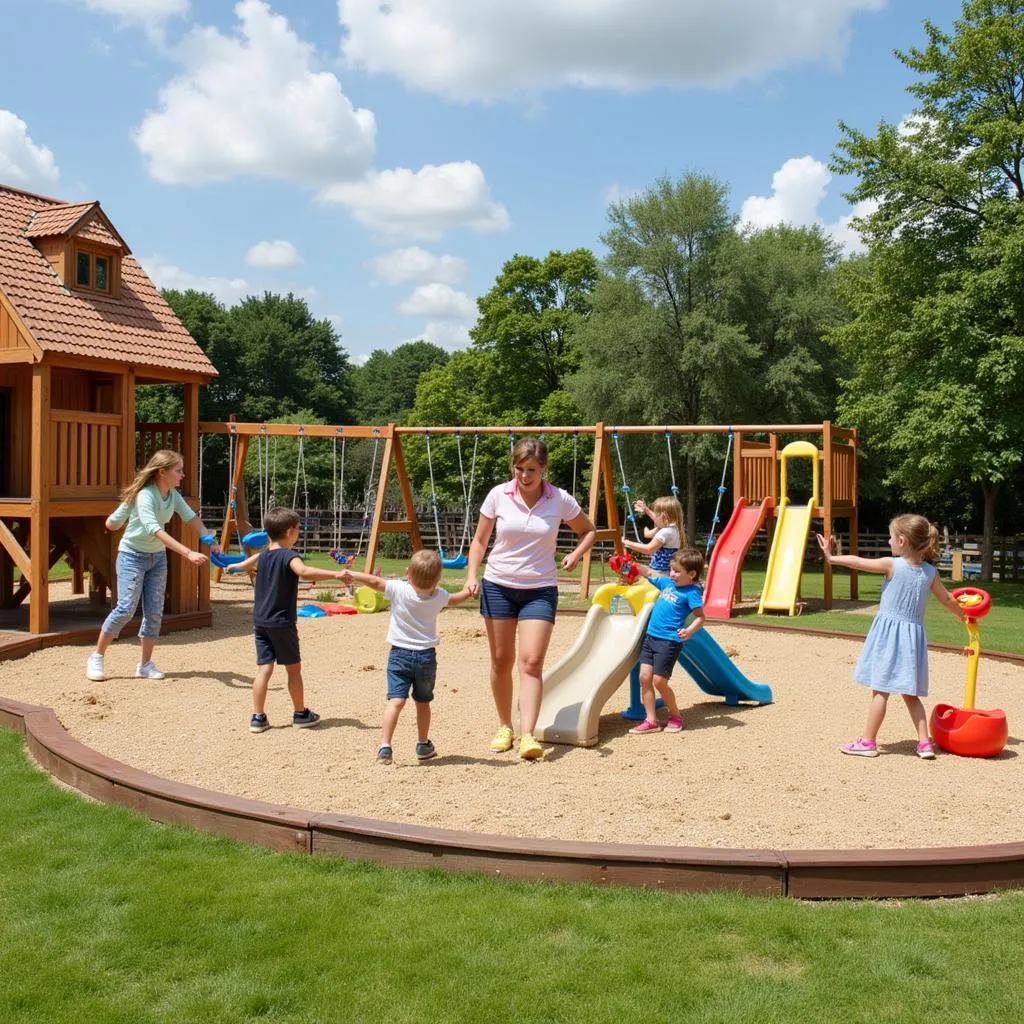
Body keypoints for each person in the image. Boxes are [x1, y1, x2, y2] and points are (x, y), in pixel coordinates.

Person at [465, 437, 597, 761]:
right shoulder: (499, 494)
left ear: (544, 469)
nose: (525, 476)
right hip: (498, 584)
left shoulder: (559, 499)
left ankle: (527, 735)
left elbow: (589, 530)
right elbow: (480, 540)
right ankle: (504, 726)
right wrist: (471, 574)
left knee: (532, 662)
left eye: (532, 470)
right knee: (501, 660)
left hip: (539, 588)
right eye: (520, 469)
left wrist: (577, 555)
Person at [816, 514, 967, 759]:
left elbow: (857, 562)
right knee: (910, 693)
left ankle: (868, 742)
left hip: (889, 637)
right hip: (912, 638)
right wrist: (964, 616)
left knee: (880, 690)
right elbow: (947, 599)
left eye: (890, 537)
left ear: (902, 541)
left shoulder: (892, 565)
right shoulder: (929, 572)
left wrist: (831, 558)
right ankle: (924, 744)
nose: (888, 541)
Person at [86, 449, 219, 682]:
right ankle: (97, 656)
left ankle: (145, 665)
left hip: (157, 559)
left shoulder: (172, 495)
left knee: (154, 611)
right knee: (126, 608)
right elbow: (154, 529)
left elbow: (191, 518)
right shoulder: (145, 496)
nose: (183, 475)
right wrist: (187, 552)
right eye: (178, 470)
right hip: (131, 556)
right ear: (162, 472)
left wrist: (208, 538)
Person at [341, 550, 472, 765]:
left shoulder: (399, 590)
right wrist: (468, 591)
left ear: (407, 574)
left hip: (399, 655)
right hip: (426, 657)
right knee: (423, 702)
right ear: (437, 580)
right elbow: (456, 599)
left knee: (395, 701)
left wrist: (353, 574)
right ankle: (422, 744)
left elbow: (374, 581)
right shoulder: (439, 596)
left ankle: (385, 745)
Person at [227, 506, 347, 733]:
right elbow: (302, 571)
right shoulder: (290, 556)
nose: (299, 533)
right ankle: (301, 713)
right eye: (299, 529)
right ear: (290, 531)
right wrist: (335, 575)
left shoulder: (264, 556)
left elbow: (249, 562)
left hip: (261, 622)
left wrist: (235, 566)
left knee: (264, 669)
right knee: (293, 669)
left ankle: (258, 717)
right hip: (282, 622)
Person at [620, 549, 706, 734]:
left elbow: (700, 617)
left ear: (691, 574)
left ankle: (675, 715)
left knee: (659, 681)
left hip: (669, 641)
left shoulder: (691, 593)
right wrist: (631, 565)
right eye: (671, 569)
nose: (672, 574)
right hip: (651, 637)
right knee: (644, 677)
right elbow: (650, 572)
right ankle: (651, 720)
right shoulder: (667, 584)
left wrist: (689, 630)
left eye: (676, 571)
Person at [624, 496, 687, 575]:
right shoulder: (674, 529)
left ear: (663, 516)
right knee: (630, 567)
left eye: (656, 514)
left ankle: (624, 582)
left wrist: (627, 543)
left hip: (659, 573)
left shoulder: (665, 532)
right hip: (665, 571)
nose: (653, 518)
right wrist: (646, 509)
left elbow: (648, 549)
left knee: (627, 567)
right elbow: (648, 534)